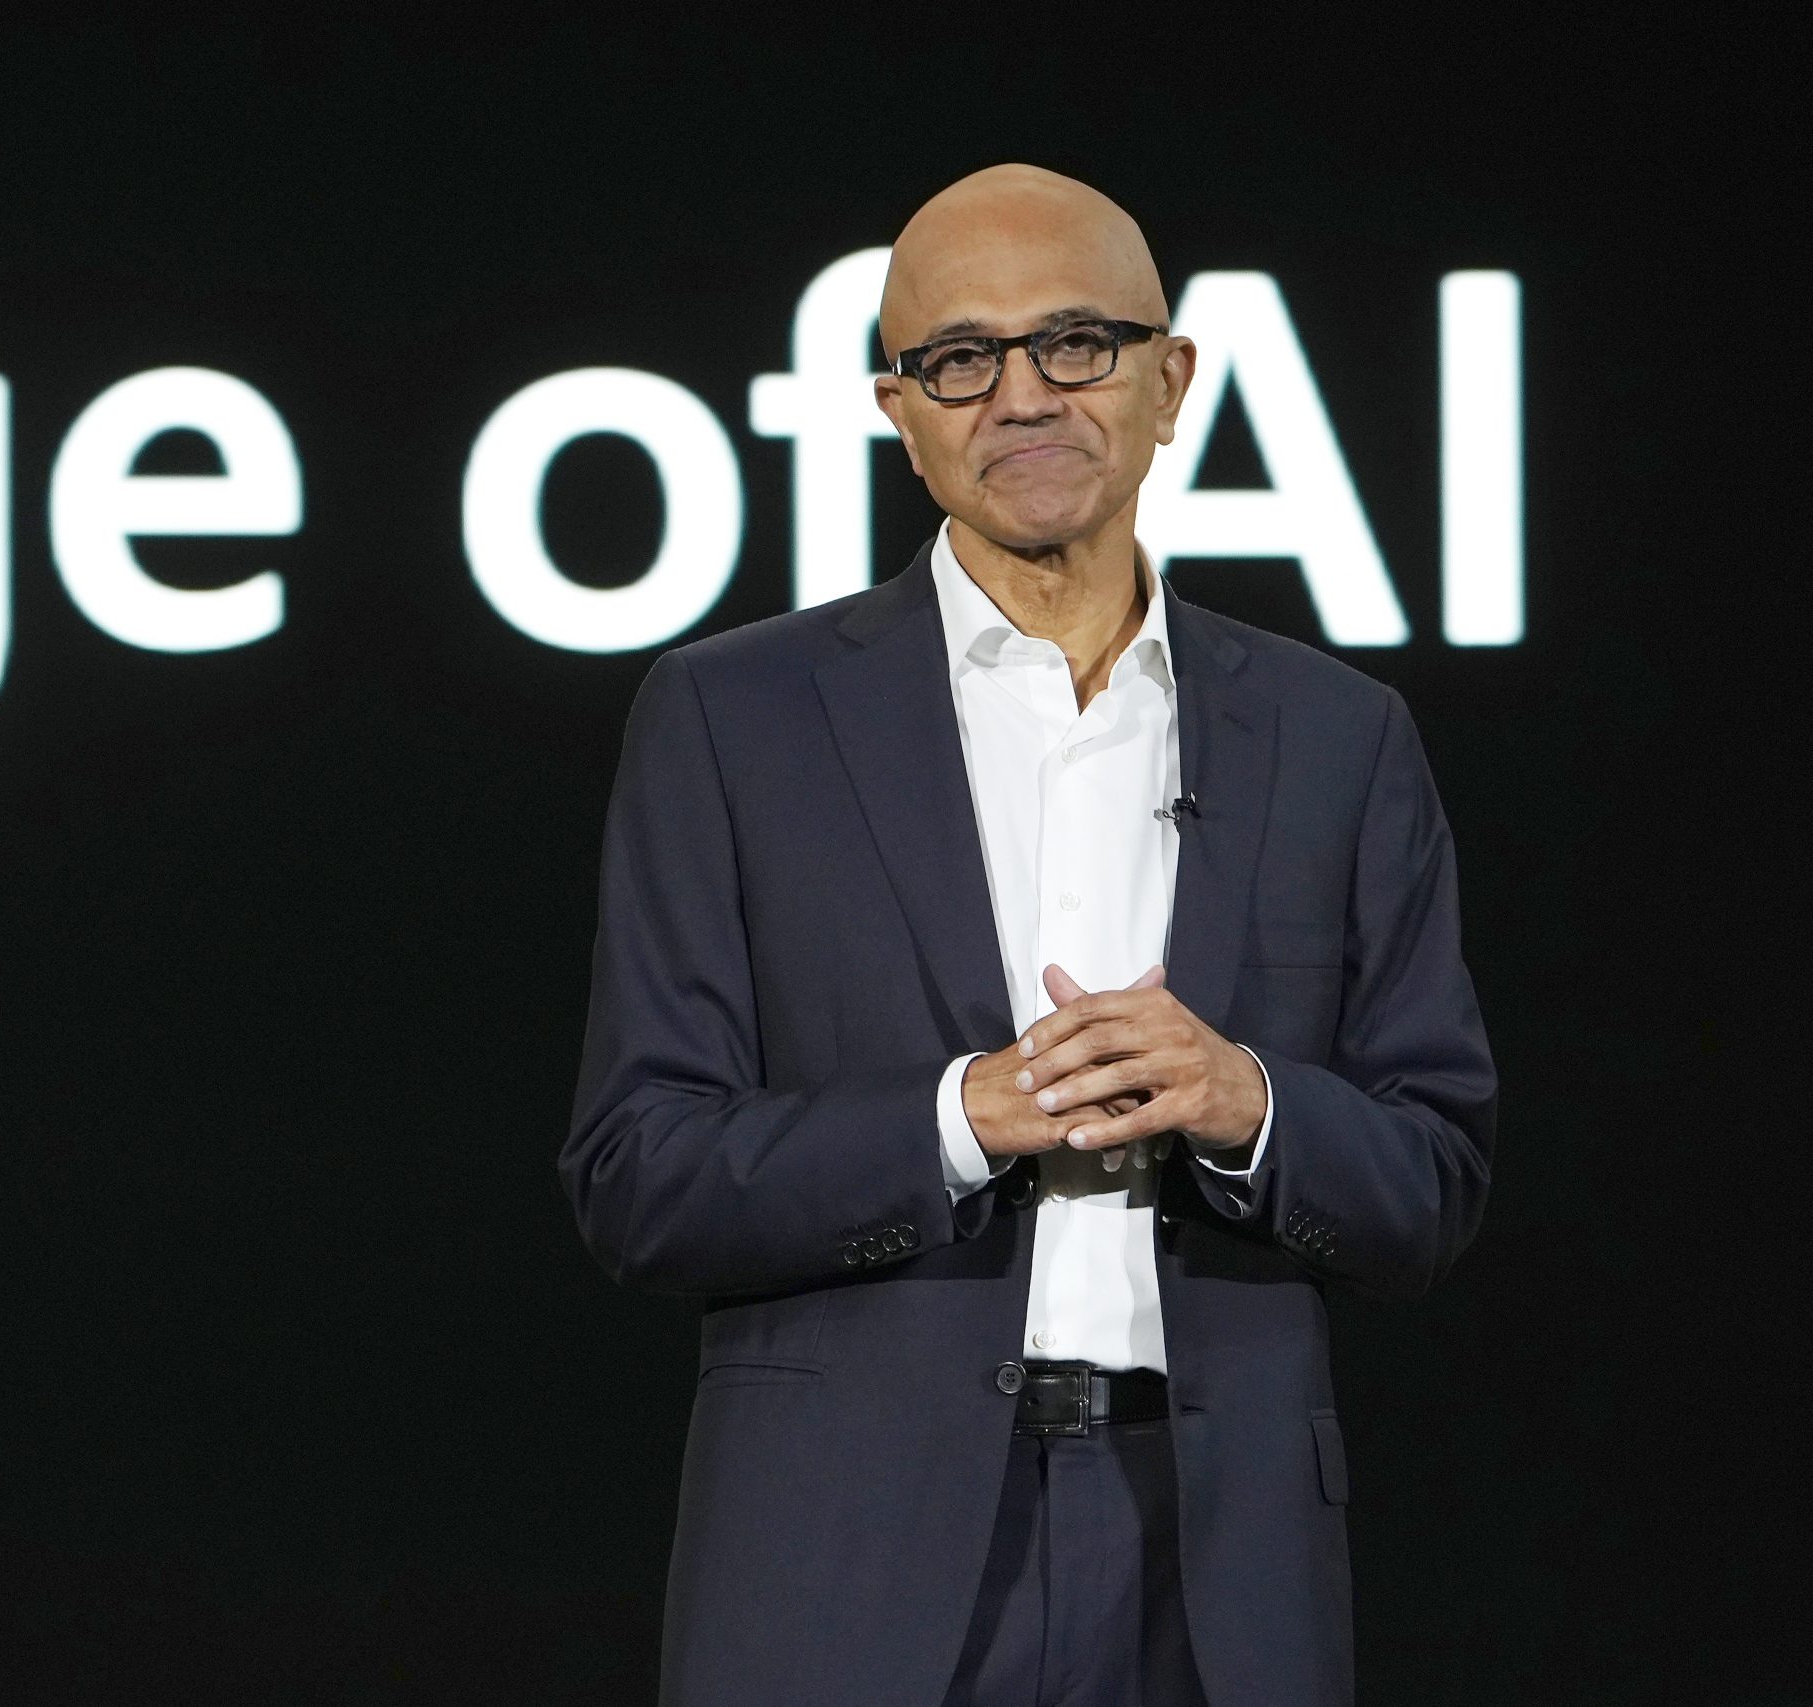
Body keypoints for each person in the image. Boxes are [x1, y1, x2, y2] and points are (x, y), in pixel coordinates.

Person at [559, 164, 1495, 1706]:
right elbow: (635, 1175)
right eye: (960, 359)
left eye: (1076, 342)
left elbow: (1435, 1178)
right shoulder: (733, 718)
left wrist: (1244, 1104)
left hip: (1218, 1569)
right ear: (899, 410)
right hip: (846, 1561)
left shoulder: (1340, 738)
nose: (1022, 395)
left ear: (1170, 376)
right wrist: (956, 1118)